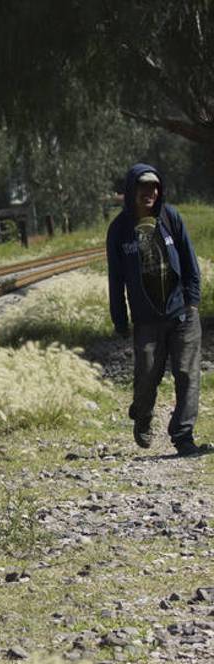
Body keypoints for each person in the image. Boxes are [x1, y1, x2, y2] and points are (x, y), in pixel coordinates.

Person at [107, 163, 204, 456]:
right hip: (146, 319)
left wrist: (192, 301)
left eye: (153, 187)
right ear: (131, 190)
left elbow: (189, 261)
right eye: (142, 186)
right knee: (147, 375)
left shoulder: (170, 217)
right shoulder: (120, 230)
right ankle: (143, 416)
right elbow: (116, 278)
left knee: (187, 375)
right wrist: (120, 318)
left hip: (181, 312)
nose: (149, 192)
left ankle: (183, 435)